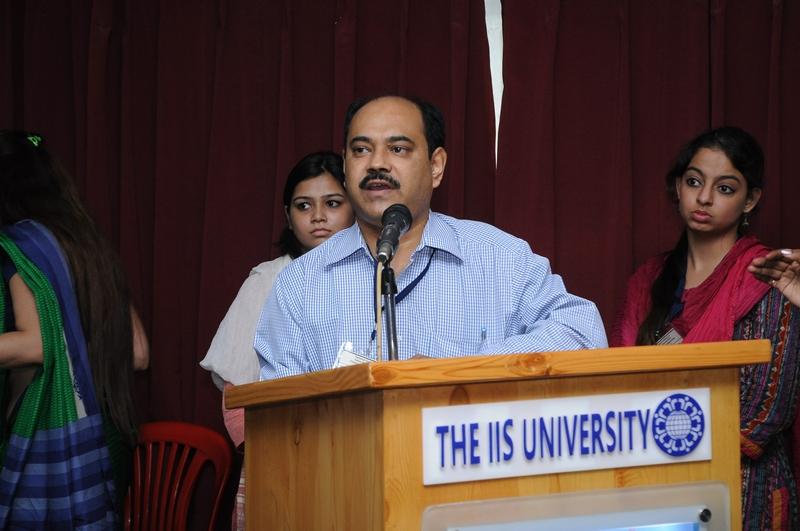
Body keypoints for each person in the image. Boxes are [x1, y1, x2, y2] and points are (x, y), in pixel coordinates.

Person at [255, 95, 607, 381]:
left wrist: (462, 371)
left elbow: (583, 334)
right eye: (361, 150)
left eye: (398, 149)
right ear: (345, 165)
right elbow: (280, 415)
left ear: (436, 166)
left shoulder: (500, 258)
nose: (377, 163)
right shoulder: (300, 283)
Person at [611, 126, 800, 530]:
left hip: (744, 487)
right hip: (654, 485)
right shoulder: (648, 280)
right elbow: (619, 385)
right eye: (694, 182)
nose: (704, 198)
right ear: (678, 187)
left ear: (751, 199)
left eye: (725, 188)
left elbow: (762, 415)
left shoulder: (769, 276)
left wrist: (659, 431)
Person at [0, 130, 149, 527]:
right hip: (108, 436)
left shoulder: (21, 246)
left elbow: (36, 344)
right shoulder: (91, 247)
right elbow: (139, 353)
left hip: (48, 437)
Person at [199, 151, 353, 531]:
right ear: (288, 215)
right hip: (279, 458)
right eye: (304, 206)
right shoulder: (268, 280)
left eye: (333, 203)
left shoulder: (378, 277)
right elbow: (235, 392)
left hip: (357, 454)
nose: (318, 217)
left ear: (356, 207)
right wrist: (273, 454)